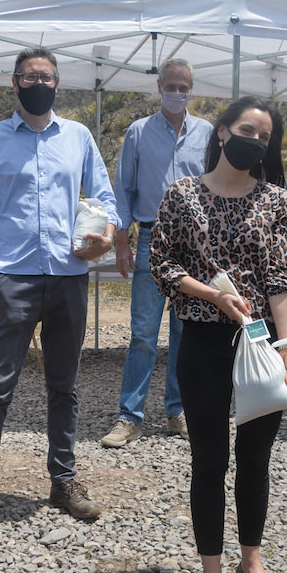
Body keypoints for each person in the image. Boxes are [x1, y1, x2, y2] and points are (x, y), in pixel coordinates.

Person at [0, 47, 119, 543]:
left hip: (68, 276)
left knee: (64, 386)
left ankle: (63, 481)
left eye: (46, 77)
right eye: (30, 77)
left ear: (57, 83)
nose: (39, 83)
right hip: (15, 278)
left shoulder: (78, 136)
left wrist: (106, 237)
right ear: (15, 82)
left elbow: (104, 198)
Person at [149, 97, 287, 573]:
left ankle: (251, 562)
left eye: (264, 137)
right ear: (221, 132)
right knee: (210, 459)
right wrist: (212, 295)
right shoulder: (182, 194)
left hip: (259, 341)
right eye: (246, 130)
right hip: (203, 338)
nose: (254, 142)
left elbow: (280, 278)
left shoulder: (276, 201)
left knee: (256, 457)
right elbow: (162, 264)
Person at [101, 58, 213, 448]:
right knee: (144, 334)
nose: (177, 93)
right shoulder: (138, 132)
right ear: (159, 87)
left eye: (184, 87)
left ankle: (177, 411)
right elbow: (123, 191)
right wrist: (122, 241)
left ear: (191, 90)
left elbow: (214, 186)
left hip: (194, 244)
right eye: (171, 86)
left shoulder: (207, 133)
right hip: (152, 238)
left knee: (185, 332)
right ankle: (129, 417)